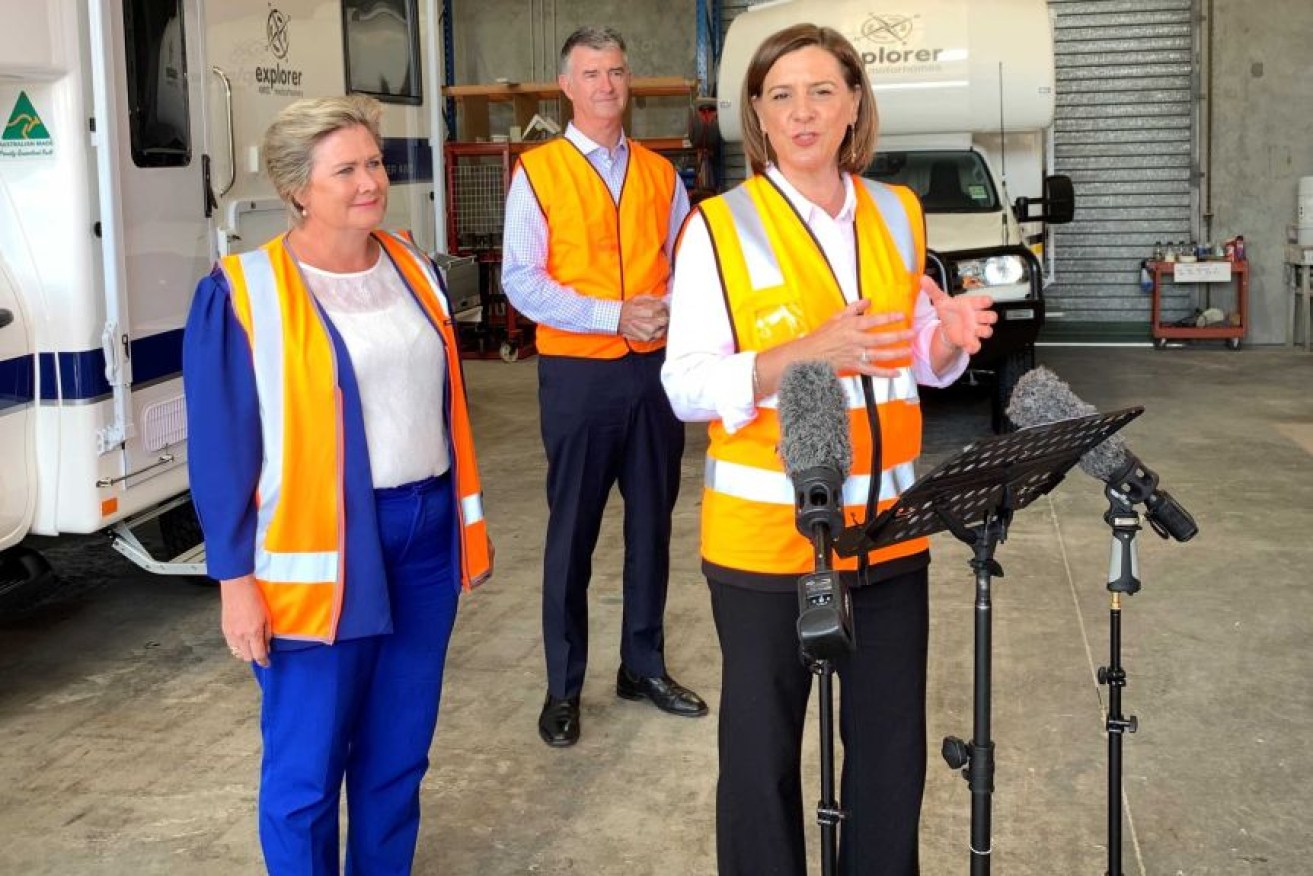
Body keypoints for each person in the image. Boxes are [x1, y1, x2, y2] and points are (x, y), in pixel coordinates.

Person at [661, 24, 998, 876]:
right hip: (767, 542)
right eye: (780, 96)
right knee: (760, 761)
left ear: (854, 105)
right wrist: (801, 353)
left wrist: (949, 342)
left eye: (820, 91)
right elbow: (686, 385)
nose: (802, 111)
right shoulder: (716, 228)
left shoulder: (897, 210)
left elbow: (907, 356)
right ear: (759, 119)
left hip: (889, 530)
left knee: (890, 760)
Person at [183, 95, 492, 875]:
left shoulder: (413, 266)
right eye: (346, 168)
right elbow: (222, 453)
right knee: (306, 771)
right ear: (297, 188)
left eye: (375, 163)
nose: (370, 181)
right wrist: (233, 582)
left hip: (422, 540)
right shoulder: (243, 290)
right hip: (319, 558)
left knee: (397, 757)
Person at [502, 25, 707, 748]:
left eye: (616, 72)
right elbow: (521, 279)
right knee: (574, 533)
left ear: (629, 81)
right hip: (579, 376)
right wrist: (609, 313)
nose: (604, 86)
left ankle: (641, 665)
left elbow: (692, 264)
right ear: (566, 86)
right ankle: (563, 686)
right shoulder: (539, 172)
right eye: (590, 74)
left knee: (651, 523)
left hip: (653, 372)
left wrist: (668, 307)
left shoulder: (659, 172)